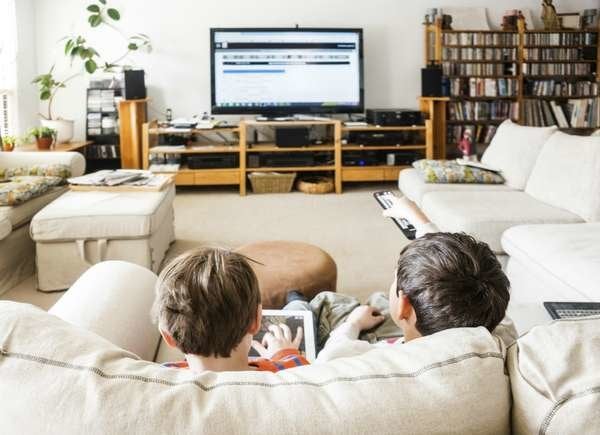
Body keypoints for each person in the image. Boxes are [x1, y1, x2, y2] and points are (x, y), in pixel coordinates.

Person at [152, 247, 308, 373]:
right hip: (275, 353)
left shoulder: (165, 373)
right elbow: (300, 370)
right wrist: (284, 353)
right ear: (256, 320)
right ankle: (298, 301)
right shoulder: (290, 370)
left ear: (168, 336)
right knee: (321, 302)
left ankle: (297, 301)